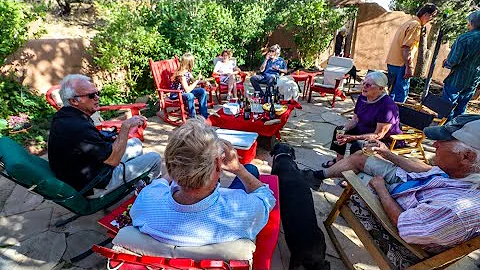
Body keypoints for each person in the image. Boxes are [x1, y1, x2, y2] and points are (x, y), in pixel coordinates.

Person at [312, 114, 480, 253]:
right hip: (413, 184)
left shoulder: (457, 209)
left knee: (357, 173)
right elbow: (427, 171)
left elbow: (405, 224)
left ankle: (324, 181)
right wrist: (387, 153)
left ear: (467, 157)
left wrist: (381, 188)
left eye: (442, 142)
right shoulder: (462, 172)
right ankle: (318, 176)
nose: (435, 144)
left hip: (400, 209)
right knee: (361, 157)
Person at [130, 118, 276, 246]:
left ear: (169, 165)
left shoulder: (147, 200)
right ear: (218, 165)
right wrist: (239, 169)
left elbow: (159, 184)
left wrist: (174, 170)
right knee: (250, 169)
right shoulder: (242, 210)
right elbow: (267, 198)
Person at [48, 74, 162, 198]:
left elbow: (90, 145)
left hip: (85, 171)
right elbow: (112, 160)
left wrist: (108, 137)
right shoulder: (78, 127)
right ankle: (151, 192)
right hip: (94, 184)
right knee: (155, 158)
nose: (97, 98)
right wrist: (125, 127)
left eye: (97, 93)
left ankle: (135, 180)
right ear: (74, 101)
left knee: (136, 143)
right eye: (91, 95)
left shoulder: (65, 117)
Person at [322, 71, 402, 171]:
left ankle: (351, 170)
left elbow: (378, 135)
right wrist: (345, 129)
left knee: (358, 145)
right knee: (339, 130)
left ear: (380, 88)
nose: (364, 87)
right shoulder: (363, 97)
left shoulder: (387, 106)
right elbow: (355, 119)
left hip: (385, 140)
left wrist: (352, 137)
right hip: (364, 131)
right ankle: (339, 162)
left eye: (368, 85)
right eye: (363, 83)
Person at [386, 3, 438, 103]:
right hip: (401, 64)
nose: (432, 19)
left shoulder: (409, 22)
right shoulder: (416, 26)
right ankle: (398, 116)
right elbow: (406, 48)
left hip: (393, 62)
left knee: (391, 91)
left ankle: (387, 116)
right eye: (432, 16)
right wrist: (409, 67)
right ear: (426, 14)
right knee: (401, 94)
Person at [441, 10, 480, 121]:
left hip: (457, 79)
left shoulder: (464, 38)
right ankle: (456, 132)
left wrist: (446, 63)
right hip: (473, 80)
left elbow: (453, 60)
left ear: (471, 23)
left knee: (447, 107)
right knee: (461, 108)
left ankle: (444, 132)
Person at [170, 52, 209, 119]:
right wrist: (196, 81)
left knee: (202, 91)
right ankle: (193, 117)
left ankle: (203, 115)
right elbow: (187, 90)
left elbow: (193, 81)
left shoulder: (187, 71)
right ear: (189, 63)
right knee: (190, 95)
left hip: (184, 92)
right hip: (177, 94)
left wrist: (202, 80)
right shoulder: (181, 75)